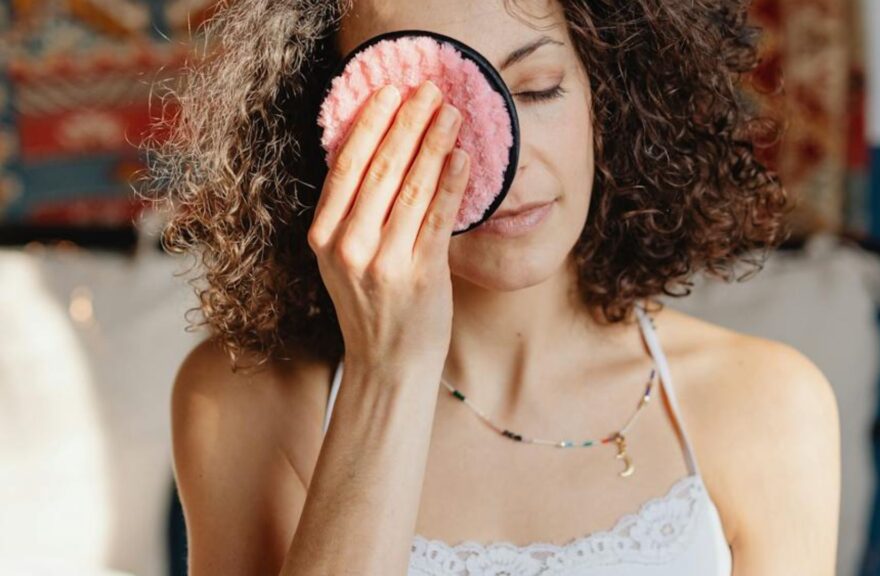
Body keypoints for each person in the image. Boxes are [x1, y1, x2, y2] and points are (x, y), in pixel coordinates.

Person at [152, 0, 841, 574]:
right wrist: (389, 373)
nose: (501, 167)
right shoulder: (237, 398)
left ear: (609, 91)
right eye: (422, 115)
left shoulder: (768, 405)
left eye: (539, 89)